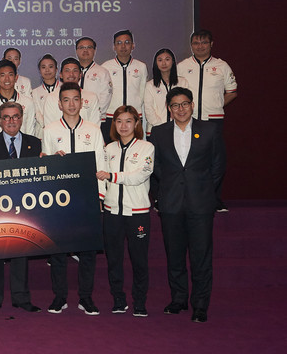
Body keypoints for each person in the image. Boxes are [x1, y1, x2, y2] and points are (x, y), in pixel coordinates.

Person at [149, 87, 225, 323]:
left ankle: (200, 305)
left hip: (200, 204)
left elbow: (218, 166)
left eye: (184, 104)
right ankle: (179, 299)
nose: (180, 109)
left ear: (192, 105)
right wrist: (168, 190)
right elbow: (157, 167)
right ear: (169, 109)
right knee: (175, 255)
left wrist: (202, 190)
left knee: (201, 256)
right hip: (171, 204)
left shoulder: (210, 130)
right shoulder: (159, 133)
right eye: (175, 105)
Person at [41, 82, 107, 315]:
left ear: (82, 102)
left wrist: (99, 197)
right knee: (58, 252)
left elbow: (101, 165)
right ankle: (59, 297)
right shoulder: (49, 130)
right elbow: (44, 167)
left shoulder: (94, 130)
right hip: (58, 202)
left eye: (75, 99)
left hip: (86, 200)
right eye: (66, 100)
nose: (71, 104)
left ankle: (85, 298)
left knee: (87, 252)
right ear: (59, 104)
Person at [0, 101, 41, 314]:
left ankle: (21, 298)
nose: (11, 121)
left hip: (24, 207)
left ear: (22, 118)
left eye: (15, 116)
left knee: (21, 254)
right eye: (6, 117)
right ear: (0, 120)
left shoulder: (35, 143)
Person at [96, 106, 154, 317]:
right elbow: (99, 178)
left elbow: (140, 175)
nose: (123, 126)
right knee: (114, 259)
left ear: (137, 124)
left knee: (139, 259)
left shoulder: (147, 148)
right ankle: (118, 299)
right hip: (112, 213)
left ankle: (140, 301)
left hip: (137, 213)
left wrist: (113, 176)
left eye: (128, 121)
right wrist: (101, 198)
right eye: (119, 121)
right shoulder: (108, 149)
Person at [176, 30, 236, 212]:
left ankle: (214, 199)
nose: (199, 46)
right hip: (188, 120)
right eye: (196, 43)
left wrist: (217, 105)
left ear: (211, 44)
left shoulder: (222, 66)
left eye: (203, 42)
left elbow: (232, 91)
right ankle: (187, 199)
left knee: (215, 161)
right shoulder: (182, 66)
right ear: (191, 45)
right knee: (188, 160)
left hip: (213, 120)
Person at [101, 30, 148, 142]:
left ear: (133, 46)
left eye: (127, 42)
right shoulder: (106, 67)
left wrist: (134, 108)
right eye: (119, 43)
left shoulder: (141, 66)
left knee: (133, 152)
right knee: (111, 151)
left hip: (134, 116)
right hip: (111, 116)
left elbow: (142, 92)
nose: (123, 46)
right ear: (114, 47)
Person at [0, 60, 35, 138]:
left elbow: (30, 132)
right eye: (2, 75)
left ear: (16, 77)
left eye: (10, 75)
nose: (7, 79)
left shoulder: (28, 102)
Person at [41, 58, 101, 127]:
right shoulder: (51, 98)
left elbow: (95, 127)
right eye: (67, 71)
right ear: (61, 75)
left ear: (80, 74)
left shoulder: (91, 97)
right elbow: (49, 127)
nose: (71, 74)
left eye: (75, 71)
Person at [144, 48, 190, 134]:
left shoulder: (182, 82)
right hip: (156, 130)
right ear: (155, 63)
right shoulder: (150, 85)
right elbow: (149, 110)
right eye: (160, 60)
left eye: (167, 59)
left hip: (179, 129)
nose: (164, 63)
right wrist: (162, 127)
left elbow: (186, 106)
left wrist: (176, 125)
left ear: (173, 62)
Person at [75, 37, 113, 126]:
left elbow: (105, 97)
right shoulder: (72, 72)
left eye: (89, 47)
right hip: (73, 119)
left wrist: (93, 114)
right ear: (76, 51)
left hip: (96, 119)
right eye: (81, 47)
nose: (85, 50)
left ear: (94, 50)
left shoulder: (102, 72)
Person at [30, 54, 59, 138]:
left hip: (62, 130)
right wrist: (48, 126)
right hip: (42, 133)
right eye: (43, 67)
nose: (47, 70)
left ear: (56, 69)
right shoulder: (34, 92)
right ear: (39, 70)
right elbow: (37, 113)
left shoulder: (64, 89)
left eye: (50, 66)